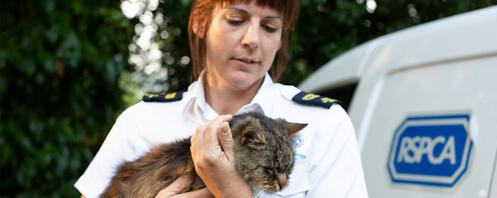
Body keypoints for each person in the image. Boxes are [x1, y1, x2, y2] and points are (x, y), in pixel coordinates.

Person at [75, 0, 368, 197]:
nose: (252, 39)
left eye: (269, 26)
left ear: (280, 38)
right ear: (201, 23)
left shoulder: (323, 124)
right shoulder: (141, 121)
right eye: (236, 19)